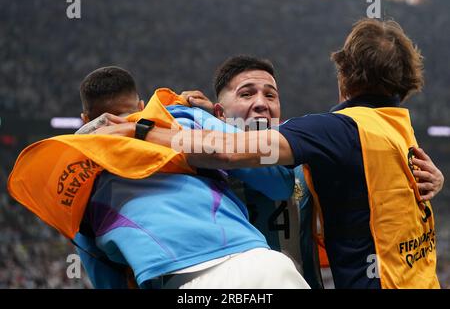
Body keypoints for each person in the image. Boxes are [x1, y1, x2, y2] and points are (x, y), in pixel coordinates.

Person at [97, 19, 444, 288]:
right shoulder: (187, 166)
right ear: (219, 112)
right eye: (246, 93)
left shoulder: (310, 150)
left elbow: (235, 152)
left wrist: (434, 178)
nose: (261, 103)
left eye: (271, 94)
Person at [73, 66, 309, 289]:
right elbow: (279, 181)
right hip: (259, 264)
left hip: (176, 280)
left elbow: (106, 278)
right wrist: (220, 127)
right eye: (247, 93)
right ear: (142, 105)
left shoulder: (76, 180)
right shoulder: (184, 117)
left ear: (85, 118)